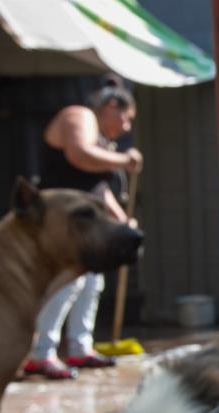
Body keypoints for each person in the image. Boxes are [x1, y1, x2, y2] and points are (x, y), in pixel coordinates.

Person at [22, 75, 143, 379]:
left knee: (91, 282)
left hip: (78, 224)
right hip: (55, 220)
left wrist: (121, 222)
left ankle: (79, 349)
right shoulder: (79, 115)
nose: (126, 127)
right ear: (112, 105)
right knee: (69, 282)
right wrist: (122, 160)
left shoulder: (100, 140)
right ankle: (39, 354)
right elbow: (79, 154)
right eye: (126, 118)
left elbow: (97, 189)